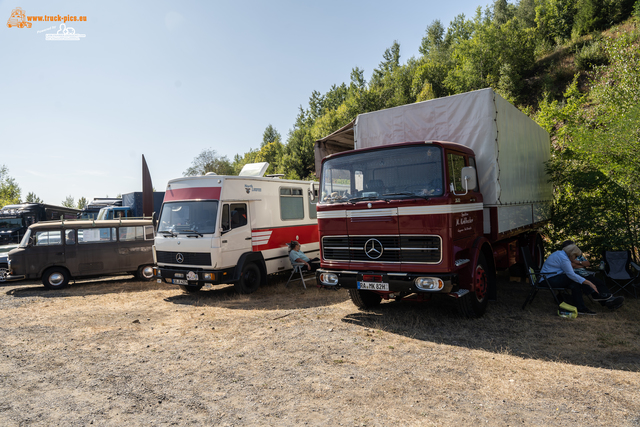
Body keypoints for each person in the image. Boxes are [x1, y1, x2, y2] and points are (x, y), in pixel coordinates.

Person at [541, 243, 624, 315]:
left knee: (575, 284)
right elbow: (571, 274)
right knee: (575, 277)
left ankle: (581, 308)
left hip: (551, 277)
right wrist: (589, 283)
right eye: (575, 256)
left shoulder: (560, 254)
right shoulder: (563, 258)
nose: (575, 258)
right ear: (571, 253)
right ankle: (595, 295)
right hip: (547, 280)